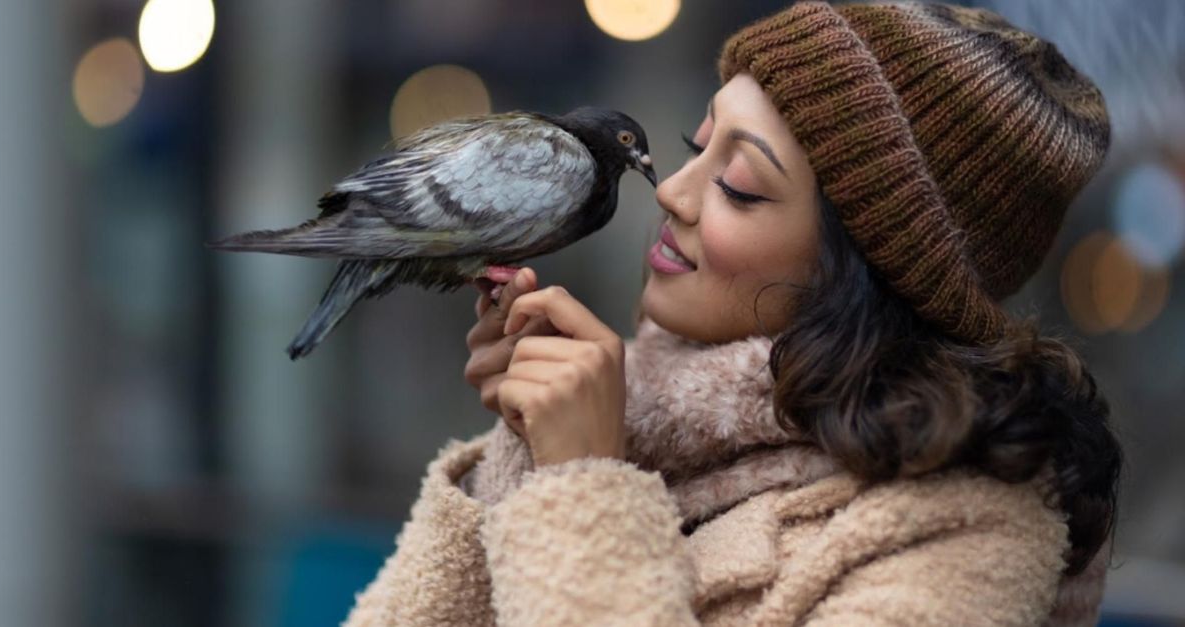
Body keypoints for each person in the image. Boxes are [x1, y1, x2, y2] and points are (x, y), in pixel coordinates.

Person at [343, 1, 1122, 625]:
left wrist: (580, 483)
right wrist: (525, 451)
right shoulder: (631, 399)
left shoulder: (962, 539)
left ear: (868, 268)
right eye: (696, 145)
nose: (674, 192)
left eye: (741, 185)